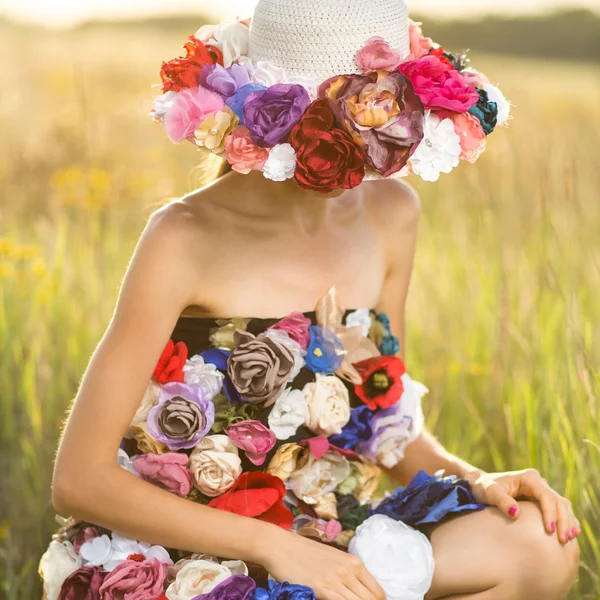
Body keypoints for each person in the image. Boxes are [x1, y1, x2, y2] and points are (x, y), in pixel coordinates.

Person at [47, 1, 580, 599]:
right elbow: (79, 480)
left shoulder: (392, 214)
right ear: (274, 119)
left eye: (391, 121)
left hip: (332, 538)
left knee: (539, 544)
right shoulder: (184, 235)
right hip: (194, 553)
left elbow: (386, 423)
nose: (379, 144)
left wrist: (478, 480)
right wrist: (275, 548)